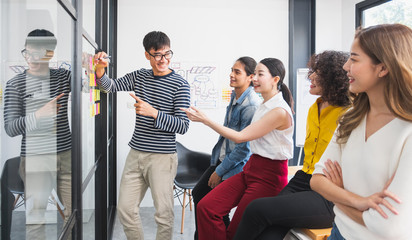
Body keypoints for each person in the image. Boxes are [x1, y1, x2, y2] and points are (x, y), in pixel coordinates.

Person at [233, 50, 351, 240]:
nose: (310, 76)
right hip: (303, 179)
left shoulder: (348, 114)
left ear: (332, 78)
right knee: (269, 233)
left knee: (256, 208)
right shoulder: (315, 108)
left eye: (317, 73)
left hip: (328, 193)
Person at [310, 23, 412, 240]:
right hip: (339, 232)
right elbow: (317, 180)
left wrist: (339, 196)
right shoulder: (350, 118)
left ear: (383, 68)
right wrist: (360, 201)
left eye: (354, 59)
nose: (346, 66)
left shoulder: (407, 131)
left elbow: (390, 228)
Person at [182, 57, 294, 240]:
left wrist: (205, 120)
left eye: (260, 74)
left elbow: (241, 138)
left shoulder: (279, 111)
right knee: (206, 207)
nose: (255, 78)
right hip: (251, 169)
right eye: (254, 74)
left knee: (236, 233)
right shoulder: (263, 104)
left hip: (268, 177)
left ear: (276, 79)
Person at [94, 31, 190, 240]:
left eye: (167, 54)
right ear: (147, 55)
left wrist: (153, 112)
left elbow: (183, 126)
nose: (163, 60)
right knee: (125, 210)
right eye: (157, 55)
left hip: (162, 158)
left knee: (163, 215)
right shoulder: (140, 76)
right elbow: (109, 87)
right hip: (136, 154)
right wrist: (101, 70)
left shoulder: (180, 85)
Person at [3, 29, 72, 239]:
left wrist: (97, 66)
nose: (30, 58)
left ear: (50, 53)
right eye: (27, 52)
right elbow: (11, 128)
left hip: (67, 156)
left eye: (37, 53)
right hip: (35, 158)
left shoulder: (63, 77)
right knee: (36, 219)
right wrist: (39, 115)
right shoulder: (15, 84)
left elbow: (90, 85)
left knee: (73, 214)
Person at [192, 56, 261, 240]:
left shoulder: (251, 106)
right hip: (222, 159)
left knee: (216, 210)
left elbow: (243, 149)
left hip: (235, 166)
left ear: (251, 77)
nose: (231, 75)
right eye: (231, 70)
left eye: (237, 72)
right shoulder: (234, 96)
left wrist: (220, 171)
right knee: (199, 194)